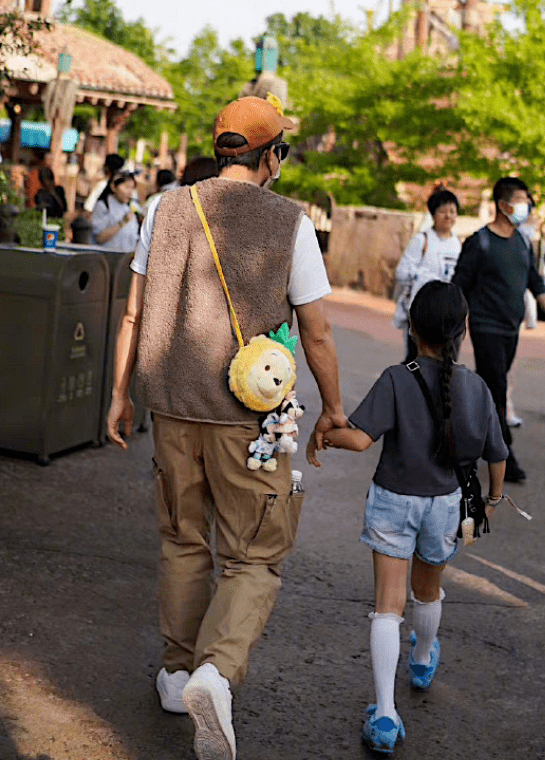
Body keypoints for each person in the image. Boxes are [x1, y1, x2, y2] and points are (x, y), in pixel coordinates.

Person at [107, 95, 346, 760]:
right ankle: (216, 672)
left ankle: (177, 671)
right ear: (272, 155)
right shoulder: (289, 222)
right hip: (249, 417)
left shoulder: (163, 206)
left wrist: (119, 397)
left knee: (183, 541)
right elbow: (318, 332)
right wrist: (332, 410)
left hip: (172, 408)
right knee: (255, 555)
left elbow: (132, 314)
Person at [309, 280, 508, 754]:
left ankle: (384, 715)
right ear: (462, 329)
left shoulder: (398, 378)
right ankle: (422, 660)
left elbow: (359, 439)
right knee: (429, 591)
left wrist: (325, 435)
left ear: (412, 327)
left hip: (393, 501)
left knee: (387, 606)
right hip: (444, 504)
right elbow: (496, 455)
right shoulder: (477, 388)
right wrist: (494, 498)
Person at [452, 176, 545, 482]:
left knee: (493, 389)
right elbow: (459, 285)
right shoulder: (480, 242)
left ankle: (460, 438)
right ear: (503, 205)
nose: (527, 205)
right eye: (521, 200)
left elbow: (533, 279)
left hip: (511, 328)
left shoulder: (521, 240)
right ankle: (504, 455)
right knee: (497, 390)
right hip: (486, 326)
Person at [394, 189, 462, 363]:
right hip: (422, 312)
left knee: (448, 360)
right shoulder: (422, 241)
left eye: (452, 212)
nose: (448, 216)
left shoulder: (458, 244)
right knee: (417, 359)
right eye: (443, 211)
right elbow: (402, 273)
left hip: (448, 313)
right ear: (433, 214)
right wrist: (425, 279)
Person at [91, 169, 140, 252]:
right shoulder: (104, 206)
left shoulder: (129, 209)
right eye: (126, 187)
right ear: (113, 187)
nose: (130, 192)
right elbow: (99, 238)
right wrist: (121, 223)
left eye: (132, 188)